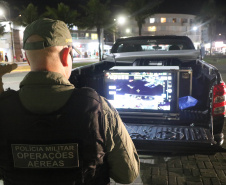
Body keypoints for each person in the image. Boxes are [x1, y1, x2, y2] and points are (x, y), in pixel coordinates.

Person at [0, 18, 139, 185]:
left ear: (28, 60)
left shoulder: (3, 109)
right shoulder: (100, 109)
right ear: (66, 55)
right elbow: (127, 174)